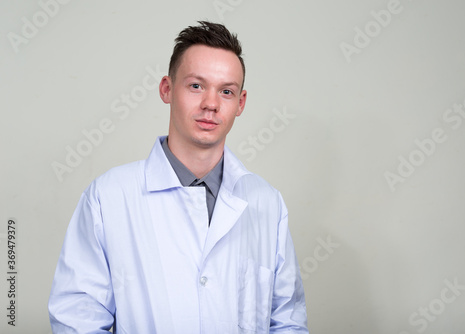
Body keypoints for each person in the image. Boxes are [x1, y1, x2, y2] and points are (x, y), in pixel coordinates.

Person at [48, 21, 308, 333]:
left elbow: (287, 320)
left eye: (226, 91)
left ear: (240, 103)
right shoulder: (108, 197)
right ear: (167, 89)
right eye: (196, 86)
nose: (210, 104)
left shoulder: (266, 203)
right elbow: (78, 319)